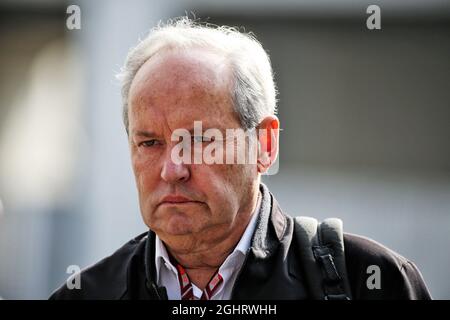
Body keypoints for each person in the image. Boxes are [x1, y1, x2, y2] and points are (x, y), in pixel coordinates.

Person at [50, 17, 431, 300]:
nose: (172, 169)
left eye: (199, 140)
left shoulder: (372, 281)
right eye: (149, 143)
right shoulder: (84, 294)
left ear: (264, 145)